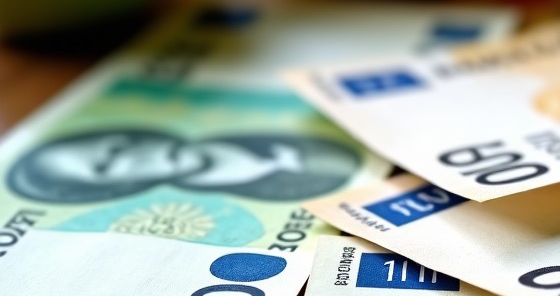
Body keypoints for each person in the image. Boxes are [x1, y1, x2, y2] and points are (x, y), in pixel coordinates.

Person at [6, 127, 360, 203]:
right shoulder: (267, 194)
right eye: (106, 167)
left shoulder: (278, 132)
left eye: (120, 144)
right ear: (118, 189)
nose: (136, 155)